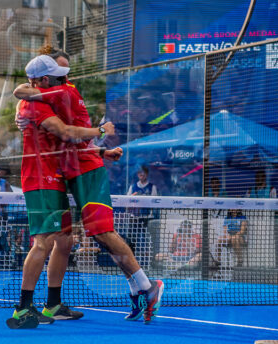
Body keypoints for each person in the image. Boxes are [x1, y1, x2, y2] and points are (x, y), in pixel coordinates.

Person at [11, 54, 164, 325]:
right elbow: (65, 132)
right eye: (58, 69)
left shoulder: (59, 92)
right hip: (46, 177)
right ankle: (24, 307)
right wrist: (100, 132)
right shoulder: (43, 98)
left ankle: (56, 303)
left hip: (67, 174)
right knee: (50, 241)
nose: (64, 75)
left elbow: (67, 138)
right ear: (44, 79)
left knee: (70, 240)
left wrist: (101, 149)